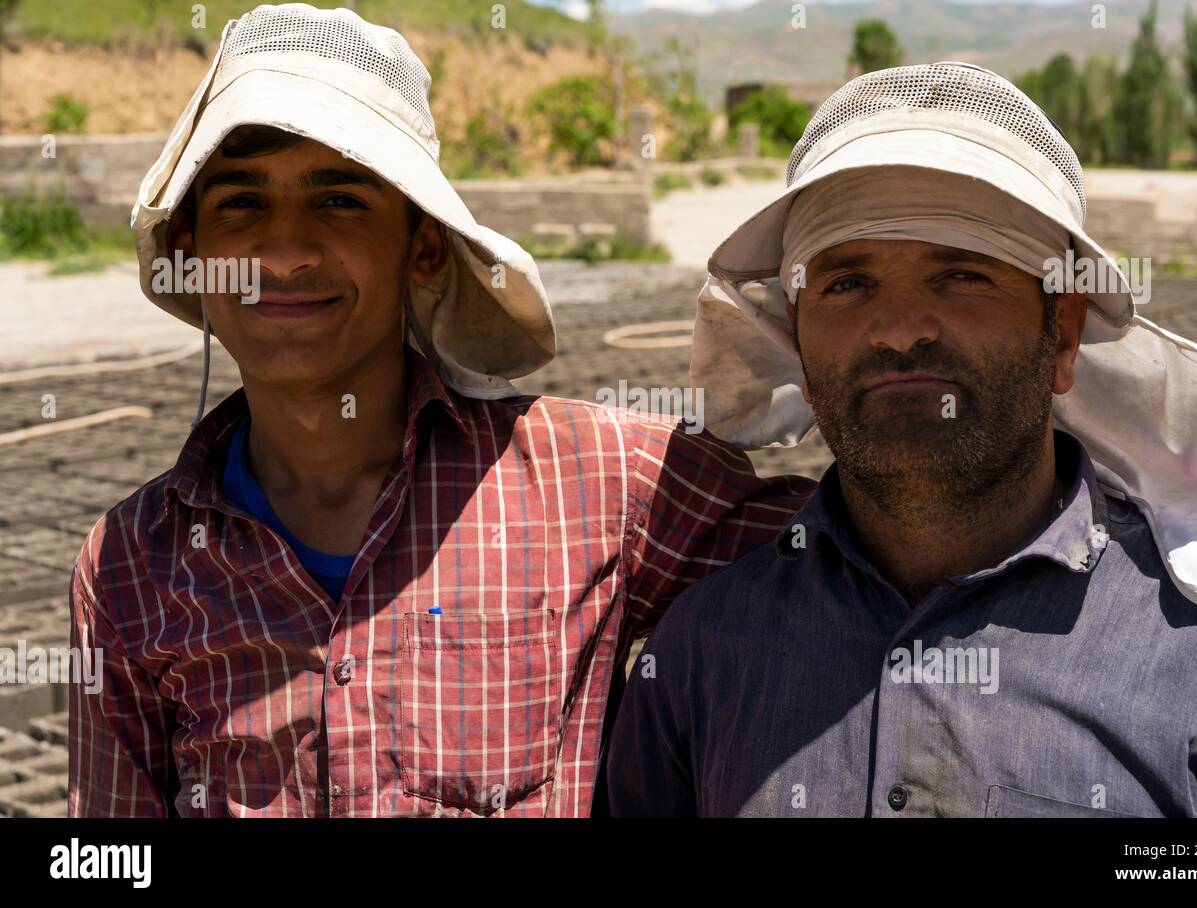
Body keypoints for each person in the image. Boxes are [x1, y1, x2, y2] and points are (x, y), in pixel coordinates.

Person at [65, 2, 812, 817]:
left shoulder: (601, 485)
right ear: (193, 255)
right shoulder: (130, 568)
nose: (283, 252)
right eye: (241, 202)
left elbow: (876, 559)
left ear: (422, 246)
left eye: (339, 200)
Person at [604, 62, 1197, 817]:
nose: (901, 330)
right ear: (798, 347)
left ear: (1062, 333)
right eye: (846, 284)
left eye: (963, 275)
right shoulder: (699, 658)